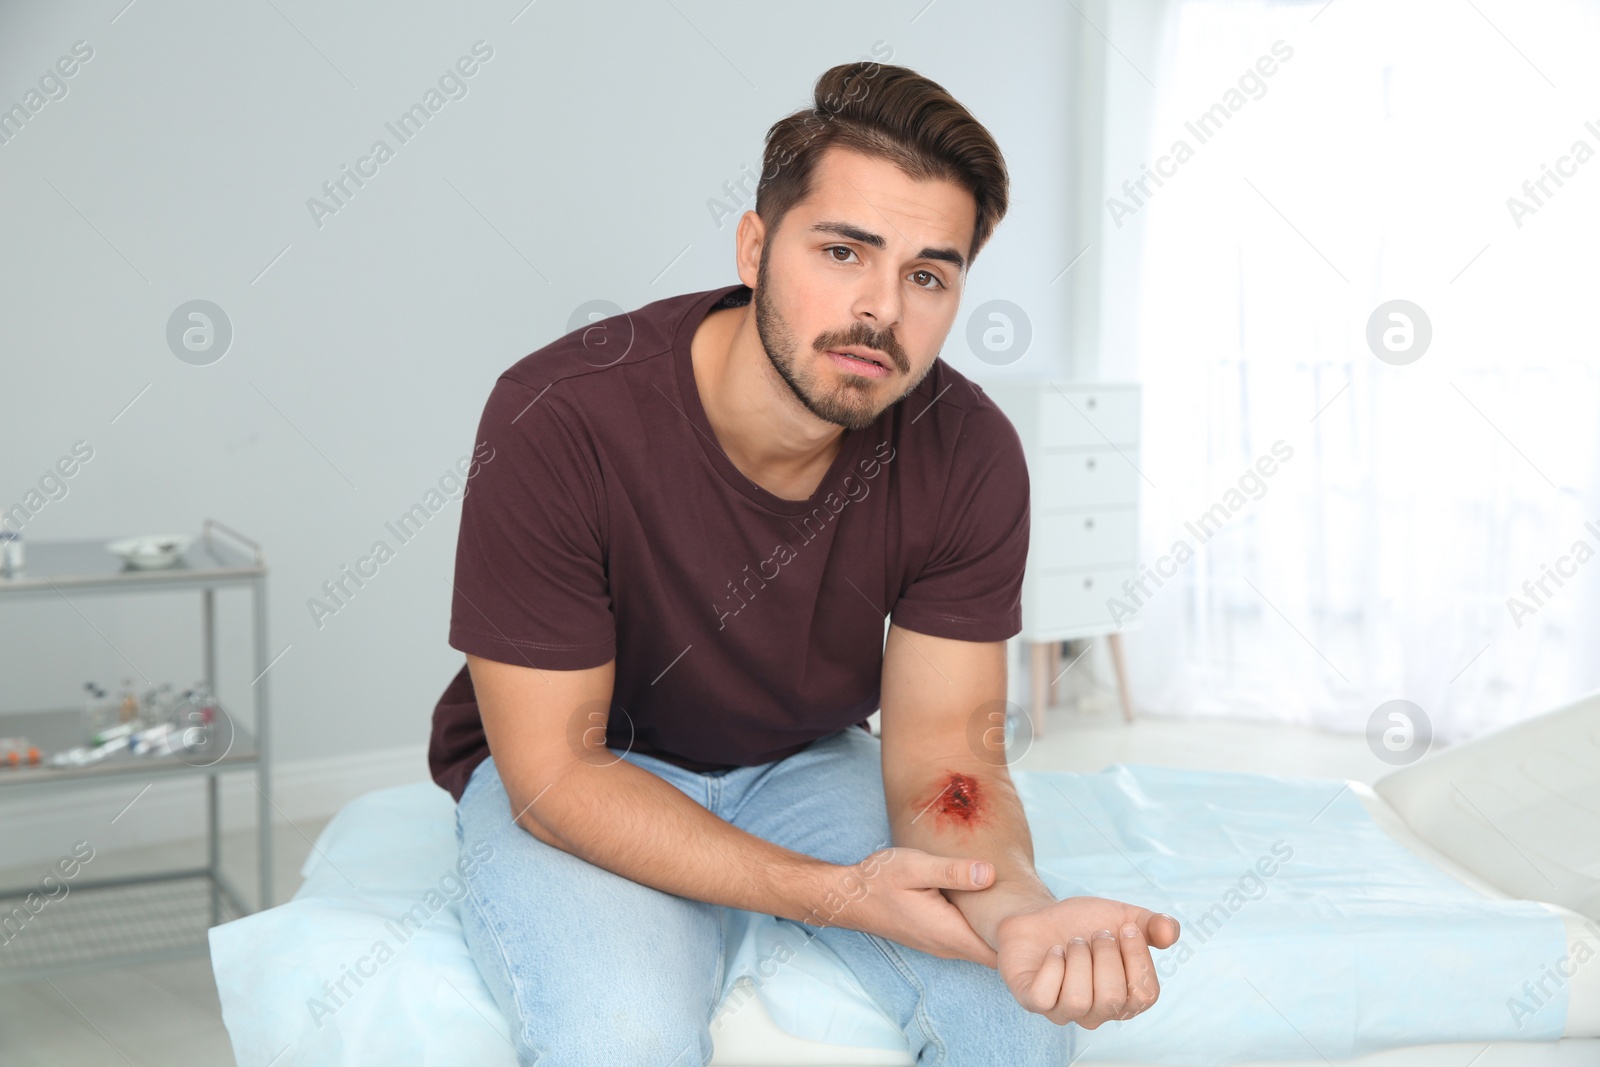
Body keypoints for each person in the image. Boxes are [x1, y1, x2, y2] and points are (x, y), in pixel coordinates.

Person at [427, 59, 1180, 1067]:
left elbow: (950, 762)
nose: (881, 309)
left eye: (927, 274)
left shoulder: (969, 452)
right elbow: (555, 773)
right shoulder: (559, 416)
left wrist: (1015, 909)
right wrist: (828, 891)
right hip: (596, 764)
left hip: (802, 762)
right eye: (842, 250)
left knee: (1019, 1020)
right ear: (753, 247)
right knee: (623, 1036)